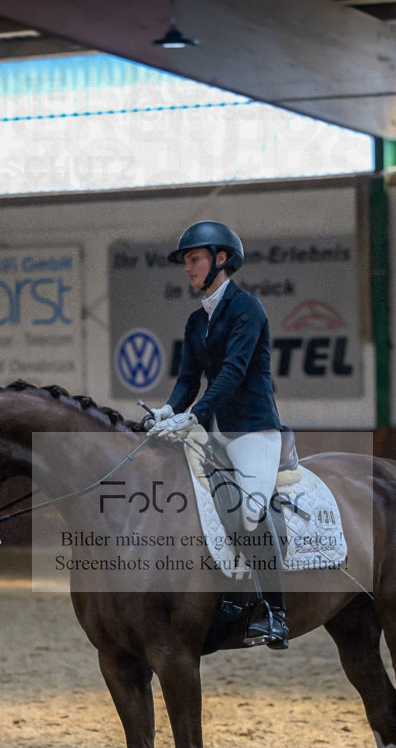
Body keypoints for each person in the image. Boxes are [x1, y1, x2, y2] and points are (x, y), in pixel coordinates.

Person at [147, 220, 288, 650]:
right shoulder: (195, 321)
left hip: (252, 432)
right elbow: (189, 378)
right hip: (213, 433)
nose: (187, 268)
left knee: (249, 513)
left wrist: (192, 416)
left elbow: (232, 374)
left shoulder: (248, 309)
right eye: (186, 261)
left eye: (194, 259)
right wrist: (167, 410)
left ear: (220, 259)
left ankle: (274, 612)